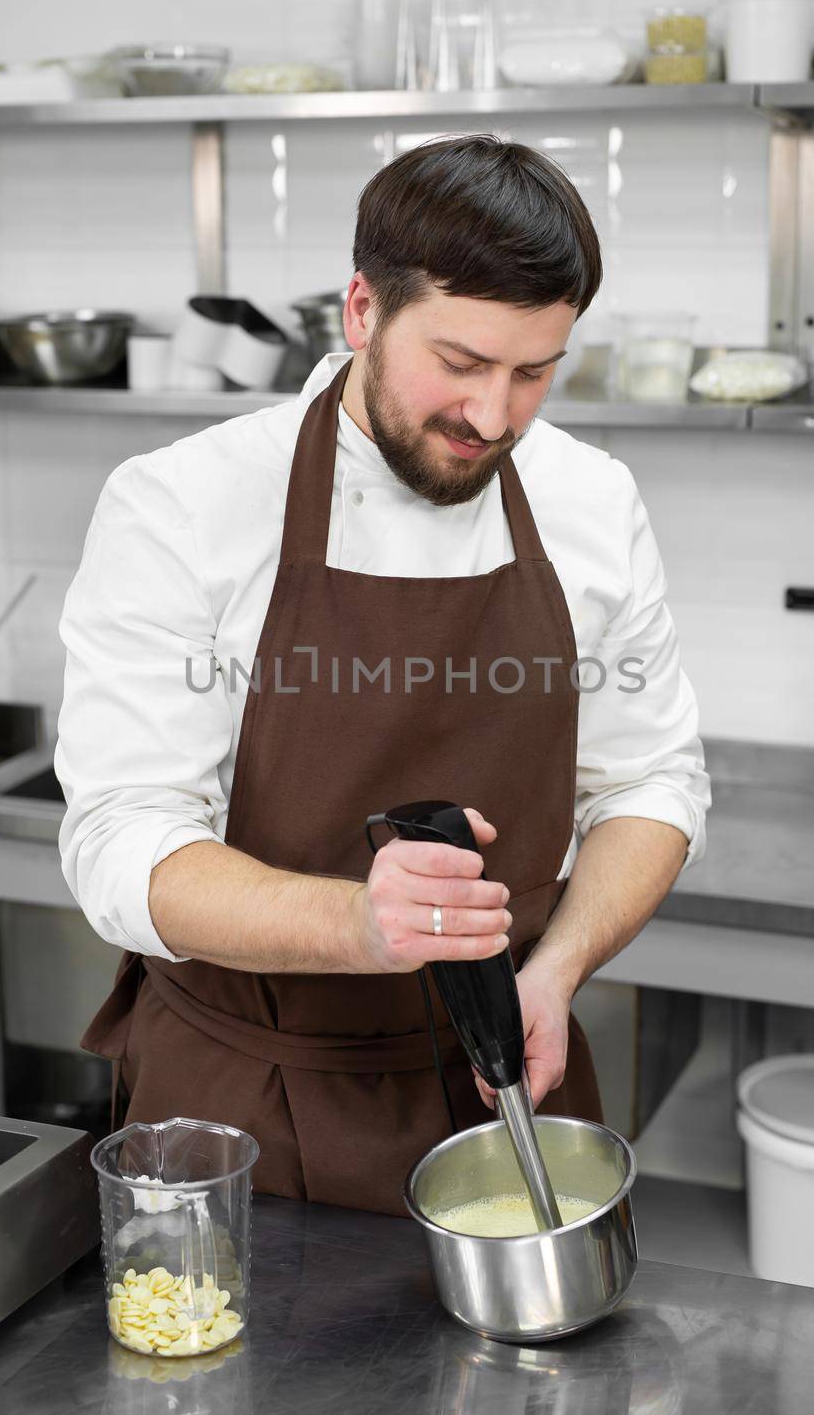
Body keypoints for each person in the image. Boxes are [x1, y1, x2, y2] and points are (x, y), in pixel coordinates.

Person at [57, 134, 710, 1214]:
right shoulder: (182, 503)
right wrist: (358, 923)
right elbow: (121, 840)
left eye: (534, 371)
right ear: (362, 311)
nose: (493, 417)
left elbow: (648, 783)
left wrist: (552, 973)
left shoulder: (590, 499)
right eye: (457, 364)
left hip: (505, 1083)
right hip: (244, 1111)